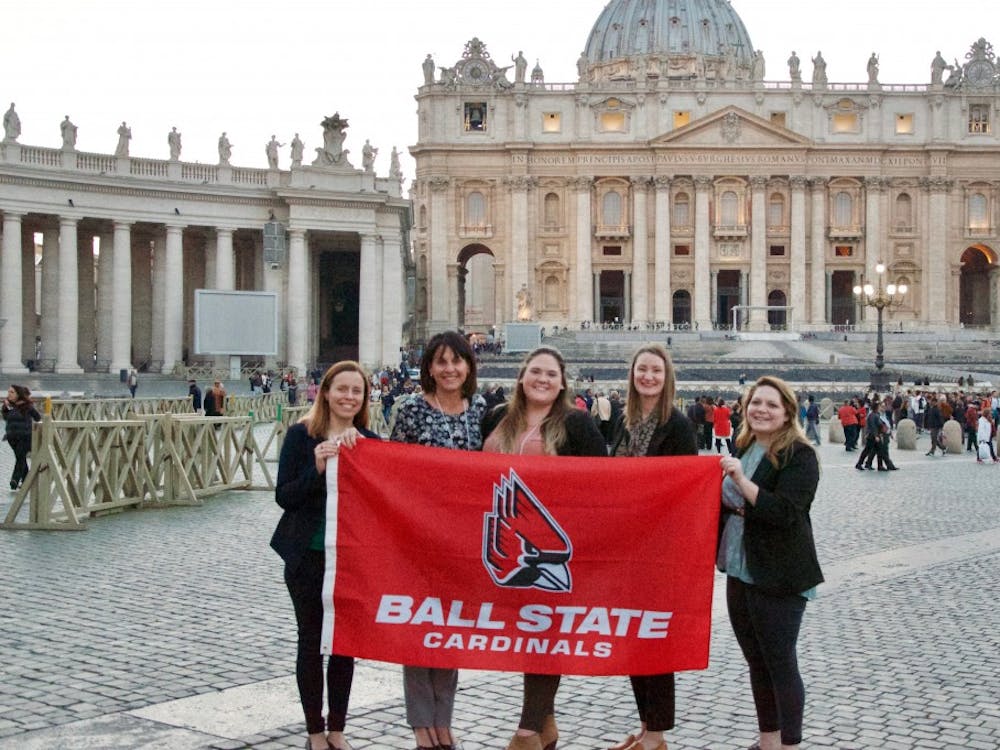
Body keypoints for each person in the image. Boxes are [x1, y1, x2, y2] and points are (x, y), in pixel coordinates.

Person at [481, 346, 606, 750]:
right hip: (503, 544)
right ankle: (545, 726)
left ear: (563, 382)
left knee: (545, 637)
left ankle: (526, 731)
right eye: (535, 371)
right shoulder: (497, 416)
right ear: (521, 377)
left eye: (551, 374)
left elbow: (602, 483)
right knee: (525, 639)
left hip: (554, 549)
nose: (543, 379)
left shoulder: (578, 424)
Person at [271, 360, 379, 750]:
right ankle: (314, 730)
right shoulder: (301, 436)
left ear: (364, 398)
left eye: (357, 391)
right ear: (326, 392)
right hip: (307, 555)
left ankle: (338, 728)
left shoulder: (370, 442)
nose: (349, 397)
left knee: (344, 645)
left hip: (349, 559)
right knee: (311, 642)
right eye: (342, 389)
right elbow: (284, 495)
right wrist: (317, 466)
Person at [390, 330, 488, 750]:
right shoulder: (411, 409)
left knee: (451, 630)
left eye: (457, 361)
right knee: (419, 627)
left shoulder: (481, 410)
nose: (450, 369)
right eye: (441, 362)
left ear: (468, 366)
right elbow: (390, 467)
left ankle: (443, 718)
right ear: (429, 367)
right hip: (418, 534)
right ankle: (420, 723)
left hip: (463, 538)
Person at [719, 376, 823, 750]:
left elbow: (786, 513)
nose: (761, 410)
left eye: (771, 405)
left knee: (779, 661)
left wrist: (741, 481)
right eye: (756, 403)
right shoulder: (744, 444)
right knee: (756, 661)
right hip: (739, 566)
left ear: (786, 413)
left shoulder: (800, 454)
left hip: (780, 571)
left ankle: (790, 745)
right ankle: (769, 741)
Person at [605, 343, 698, 750]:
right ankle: (646, 728)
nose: (648, 377)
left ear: (667, 377)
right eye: (642, 369)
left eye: (656, 371)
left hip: (658, 550)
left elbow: (684, 486)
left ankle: (657, 734)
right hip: (625, 545)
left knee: (655, 641)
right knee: (633, 639)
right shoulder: (622, 421)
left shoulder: (676, 425)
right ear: (632, 375)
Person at [3, 385, 42, 490]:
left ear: (18, 394)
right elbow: (6, 418)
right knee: (21, 458)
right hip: (12, 437)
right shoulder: (9, 406)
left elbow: (38, 417)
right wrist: (6, 408)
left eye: (12, 392)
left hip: (25, 437)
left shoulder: (27, 406)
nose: (9, 394)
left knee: (20, 458)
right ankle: (26, 480)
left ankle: (14, 480)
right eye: (8, 392)